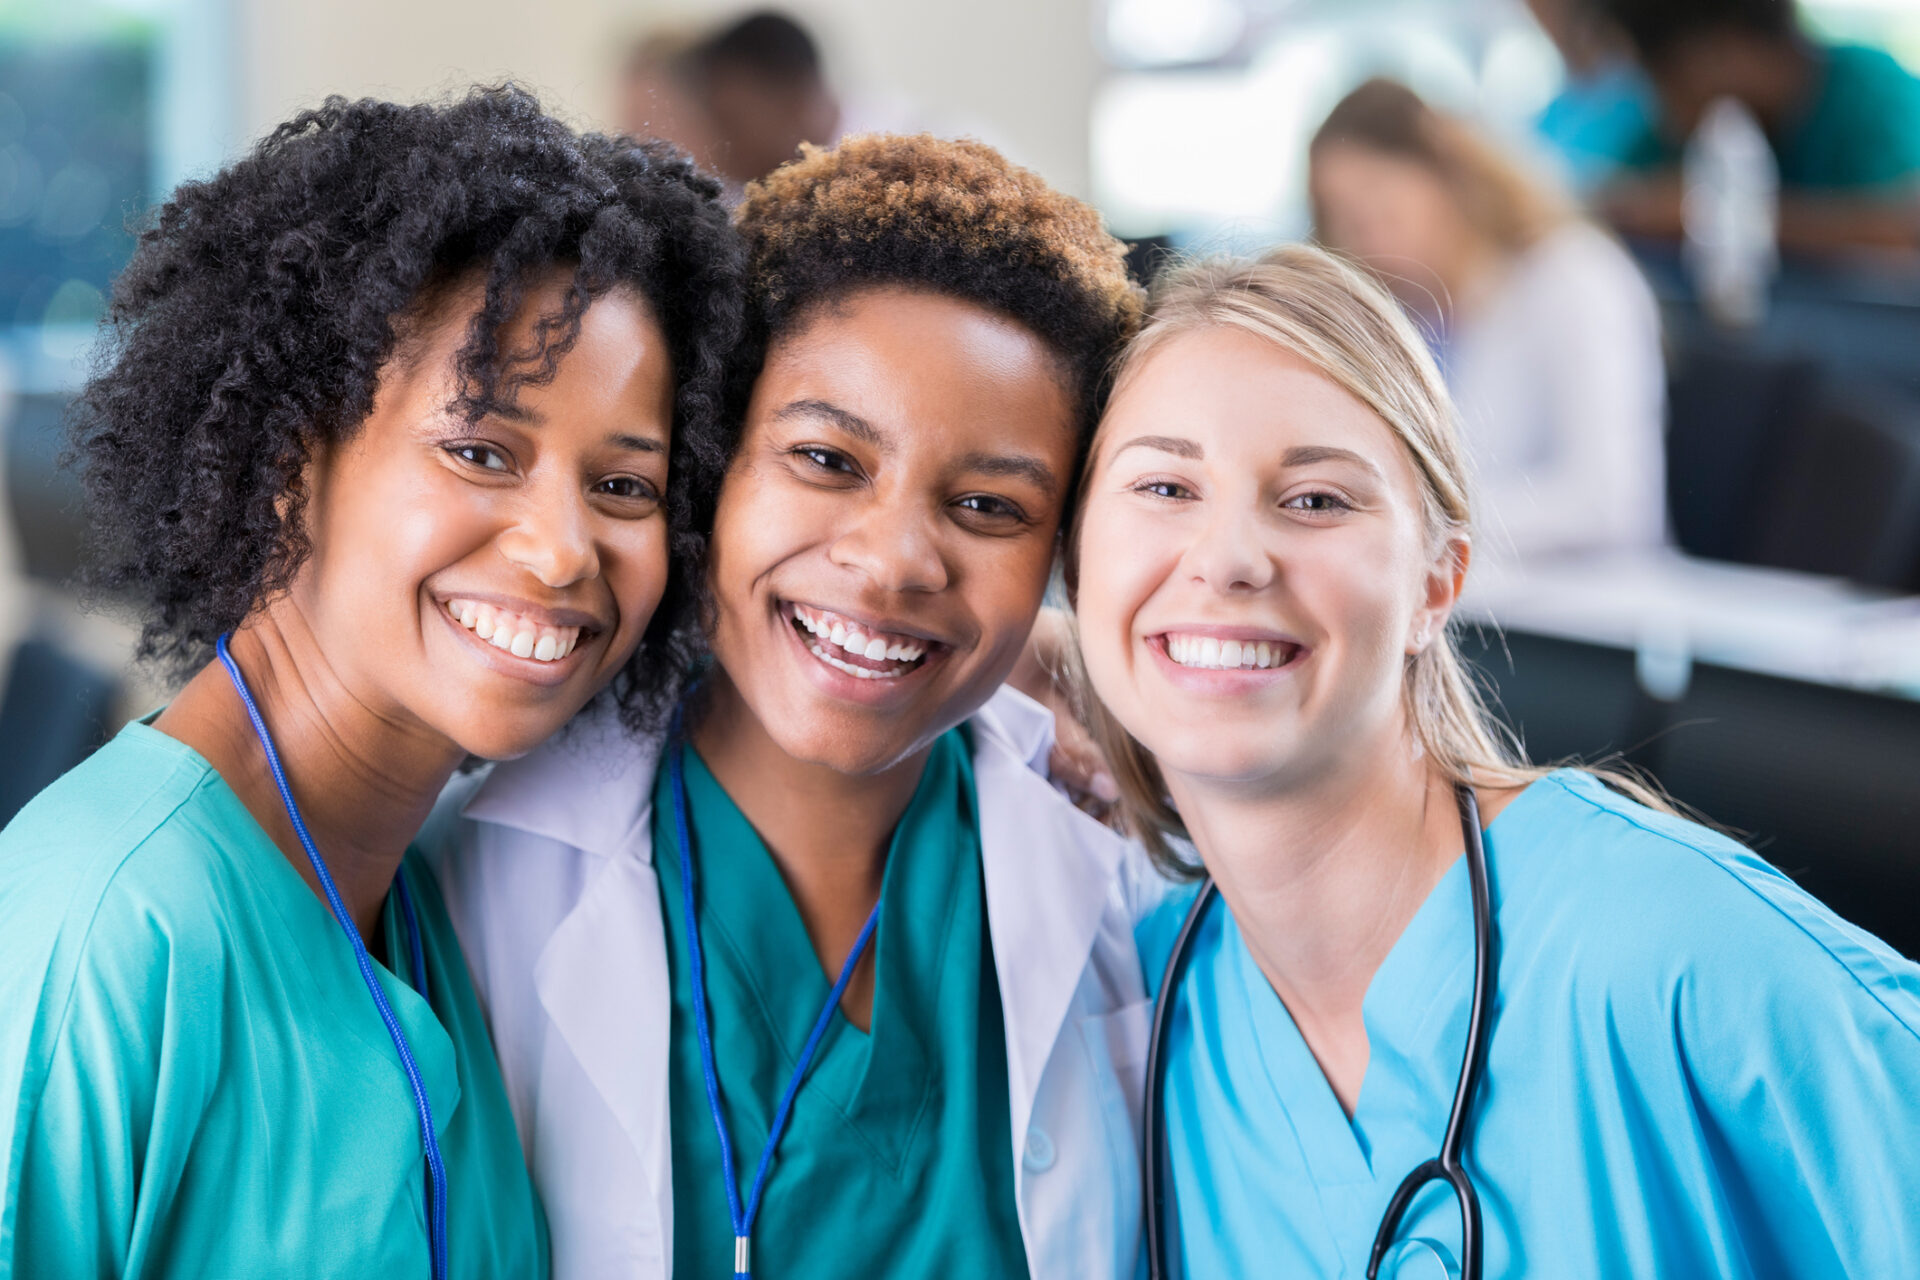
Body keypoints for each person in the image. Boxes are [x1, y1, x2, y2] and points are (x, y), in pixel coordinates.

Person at [0, 87, 745, 1276]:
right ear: (290, 456)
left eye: (625, 486)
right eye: (479, 449)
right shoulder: (110, 930)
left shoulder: (417, 896)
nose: (563, 548)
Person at [1066, 243, 1920, 1277]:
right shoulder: (1145, 1006)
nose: (1230, 556)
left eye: (1317, 500)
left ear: (1437, 583)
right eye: (1164, 485)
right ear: (1075, 560)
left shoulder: (1670, 955)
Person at [420, 134, 1151, 1280]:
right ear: (709, 460)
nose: (896, 560)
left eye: (987, 505)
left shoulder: (1124, 869)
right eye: (826, 458)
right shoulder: (457, 878)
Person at [1310, 78, 1666, 562]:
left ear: (1446, 174)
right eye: (1348, 221)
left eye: (1381, 204)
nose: (1371, 238)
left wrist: (1417, 518)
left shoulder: (1574, 278)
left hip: (1588, 602)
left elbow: (1611, 503)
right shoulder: (1414, 321)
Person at [1596, 0, 1920, 254]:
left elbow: (1904, 229)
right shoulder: (1684, 130)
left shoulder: (1876, 95)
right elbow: (1618, 199)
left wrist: (1719, 219)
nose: (1661, 103)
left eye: (1662, 75)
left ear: (1725, 45)